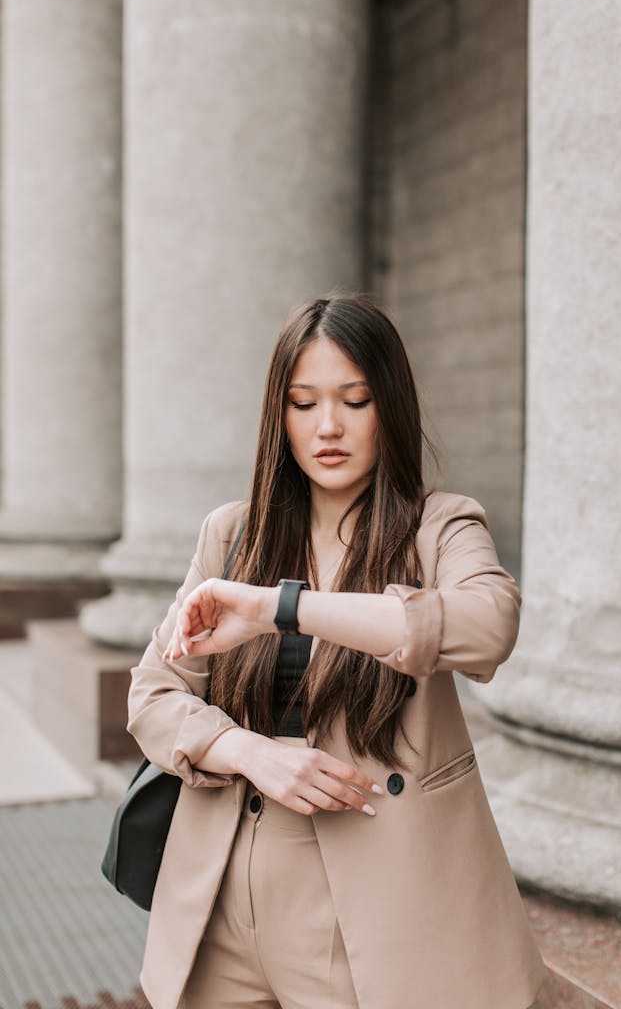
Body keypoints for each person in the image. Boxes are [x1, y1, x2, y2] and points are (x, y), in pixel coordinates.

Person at [127, 293, 547, 1009]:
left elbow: (487, 625)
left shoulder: (438, 527)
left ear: (390, 405)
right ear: (278, 415)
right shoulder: (233, 535)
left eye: (354, 400)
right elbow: (153, 693)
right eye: (302, 402)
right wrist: (246, 750)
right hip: (221, 893)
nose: (327, 426)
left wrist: (277, 608)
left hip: (366, 902)